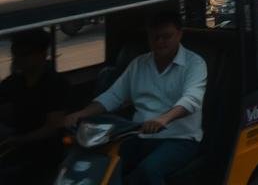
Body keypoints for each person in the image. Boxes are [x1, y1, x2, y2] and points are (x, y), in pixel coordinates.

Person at [65, 11, 207, 185]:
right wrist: (82, 113)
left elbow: (192, 99)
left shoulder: (195, 64)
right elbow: (114, 96)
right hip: (139, 135)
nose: (160, 42)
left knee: (149, 170)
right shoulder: (138, 64)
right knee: (99, 161)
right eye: (155, 37)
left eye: (166, 36)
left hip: (180, 139)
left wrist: (163, 119)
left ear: (179, 34)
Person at [0, 29, 71, 183]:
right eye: (15, 53)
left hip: (44, 155)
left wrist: (20, 140)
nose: (17, 59)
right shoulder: (13, 82)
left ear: (41, 55)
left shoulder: (56, 84)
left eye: (23, 54)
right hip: (14, 147)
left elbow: (52, 128)